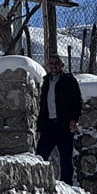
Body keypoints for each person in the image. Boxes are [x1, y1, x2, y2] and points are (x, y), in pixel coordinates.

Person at [35, 54, 82, 186]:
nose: (53, 66)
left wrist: (74, 119)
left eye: (56, 63)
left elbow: (77, 102)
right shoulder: (46, 82)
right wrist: (39, 128)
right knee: (40, 156)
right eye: (51, 63)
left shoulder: (69, 81)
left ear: (62, 65)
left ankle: (67, 186)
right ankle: (40, 184)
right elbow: (43, 106)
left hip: (64, 125)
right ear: (47, 65)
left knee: (65, 159)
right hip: (49, 125)